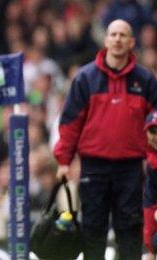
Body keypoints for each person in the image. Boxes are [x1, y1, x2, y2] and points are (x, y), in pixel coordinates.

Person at [54, 19, 157, 259]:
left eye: (123, 35)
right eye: (113, 34)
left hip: (131, 167)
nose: (118, 39)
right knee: (93, 228)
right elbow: (70, 124)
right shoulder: (85, 78)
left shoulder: (146, 80)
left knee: (130, 228)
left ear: (131, 42)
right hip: (94, 166)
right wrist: (63, 161)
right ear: (106, 40)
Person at [143, 111, 157, 259]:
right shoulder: (152, 165)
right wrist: (150, 249)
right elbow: (150, 203)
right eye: (152, 131)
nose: (155, 137)